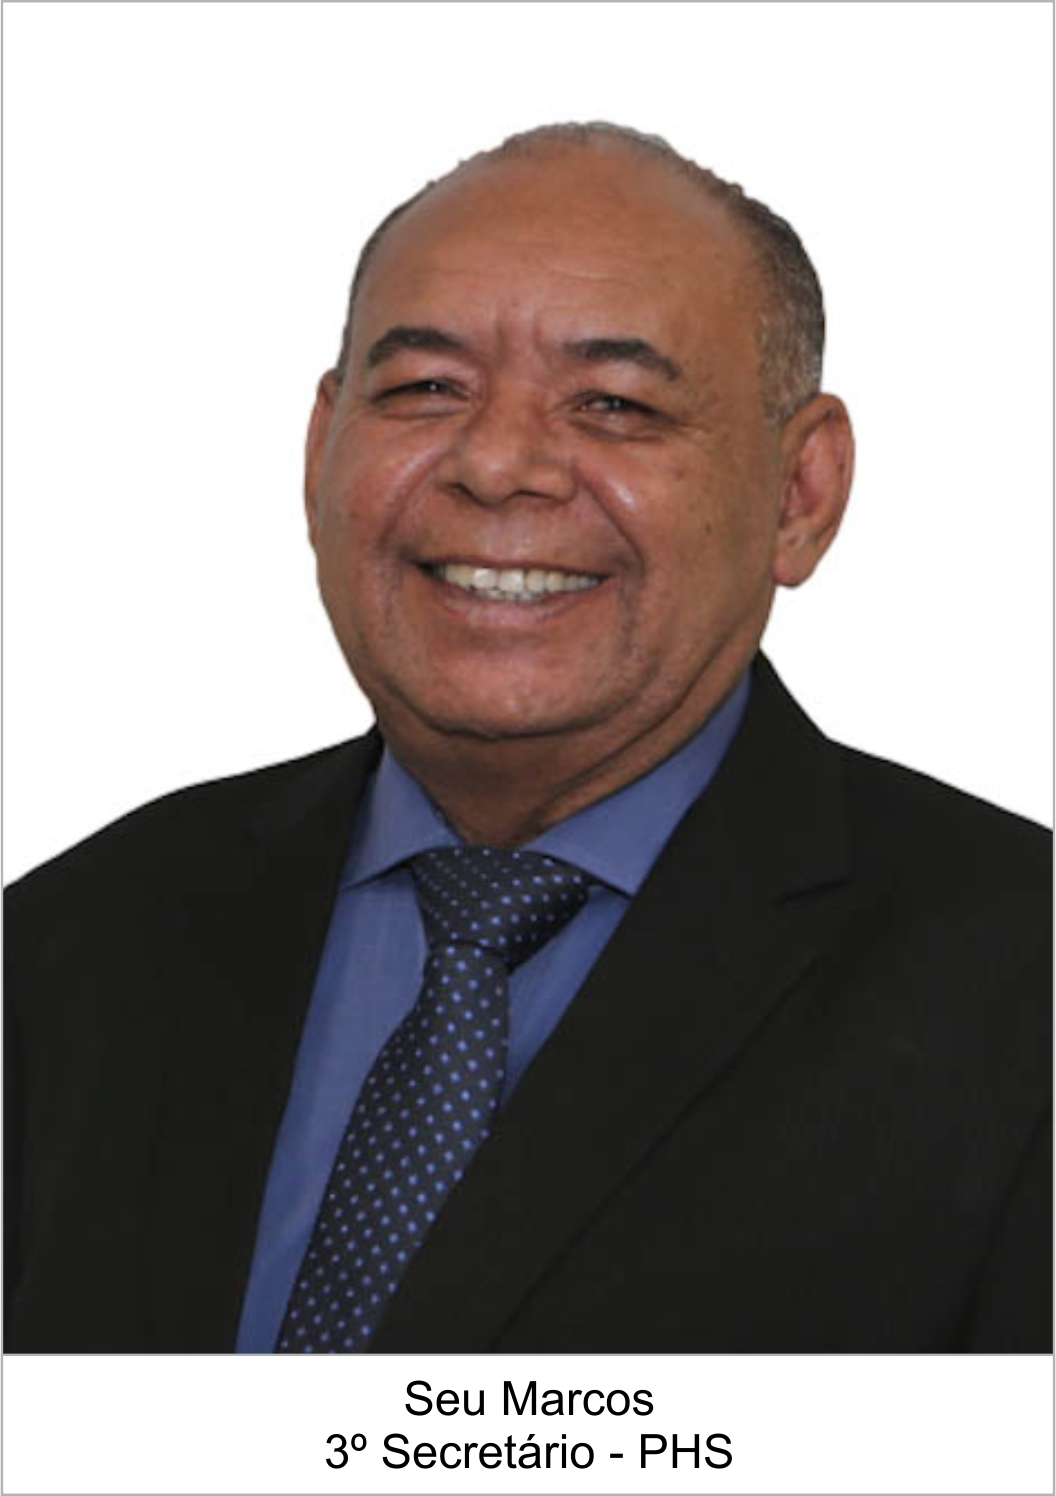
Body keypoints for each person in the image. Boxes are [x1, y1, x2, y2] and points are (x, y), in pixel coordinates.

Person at [5, 122, 1050, 1354]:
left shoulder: (1019, 989)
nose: (498, 464)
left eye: (615, 403)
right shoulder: (69, 942)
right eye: (425, 389)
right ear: (321, 451)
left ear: (800, 492)